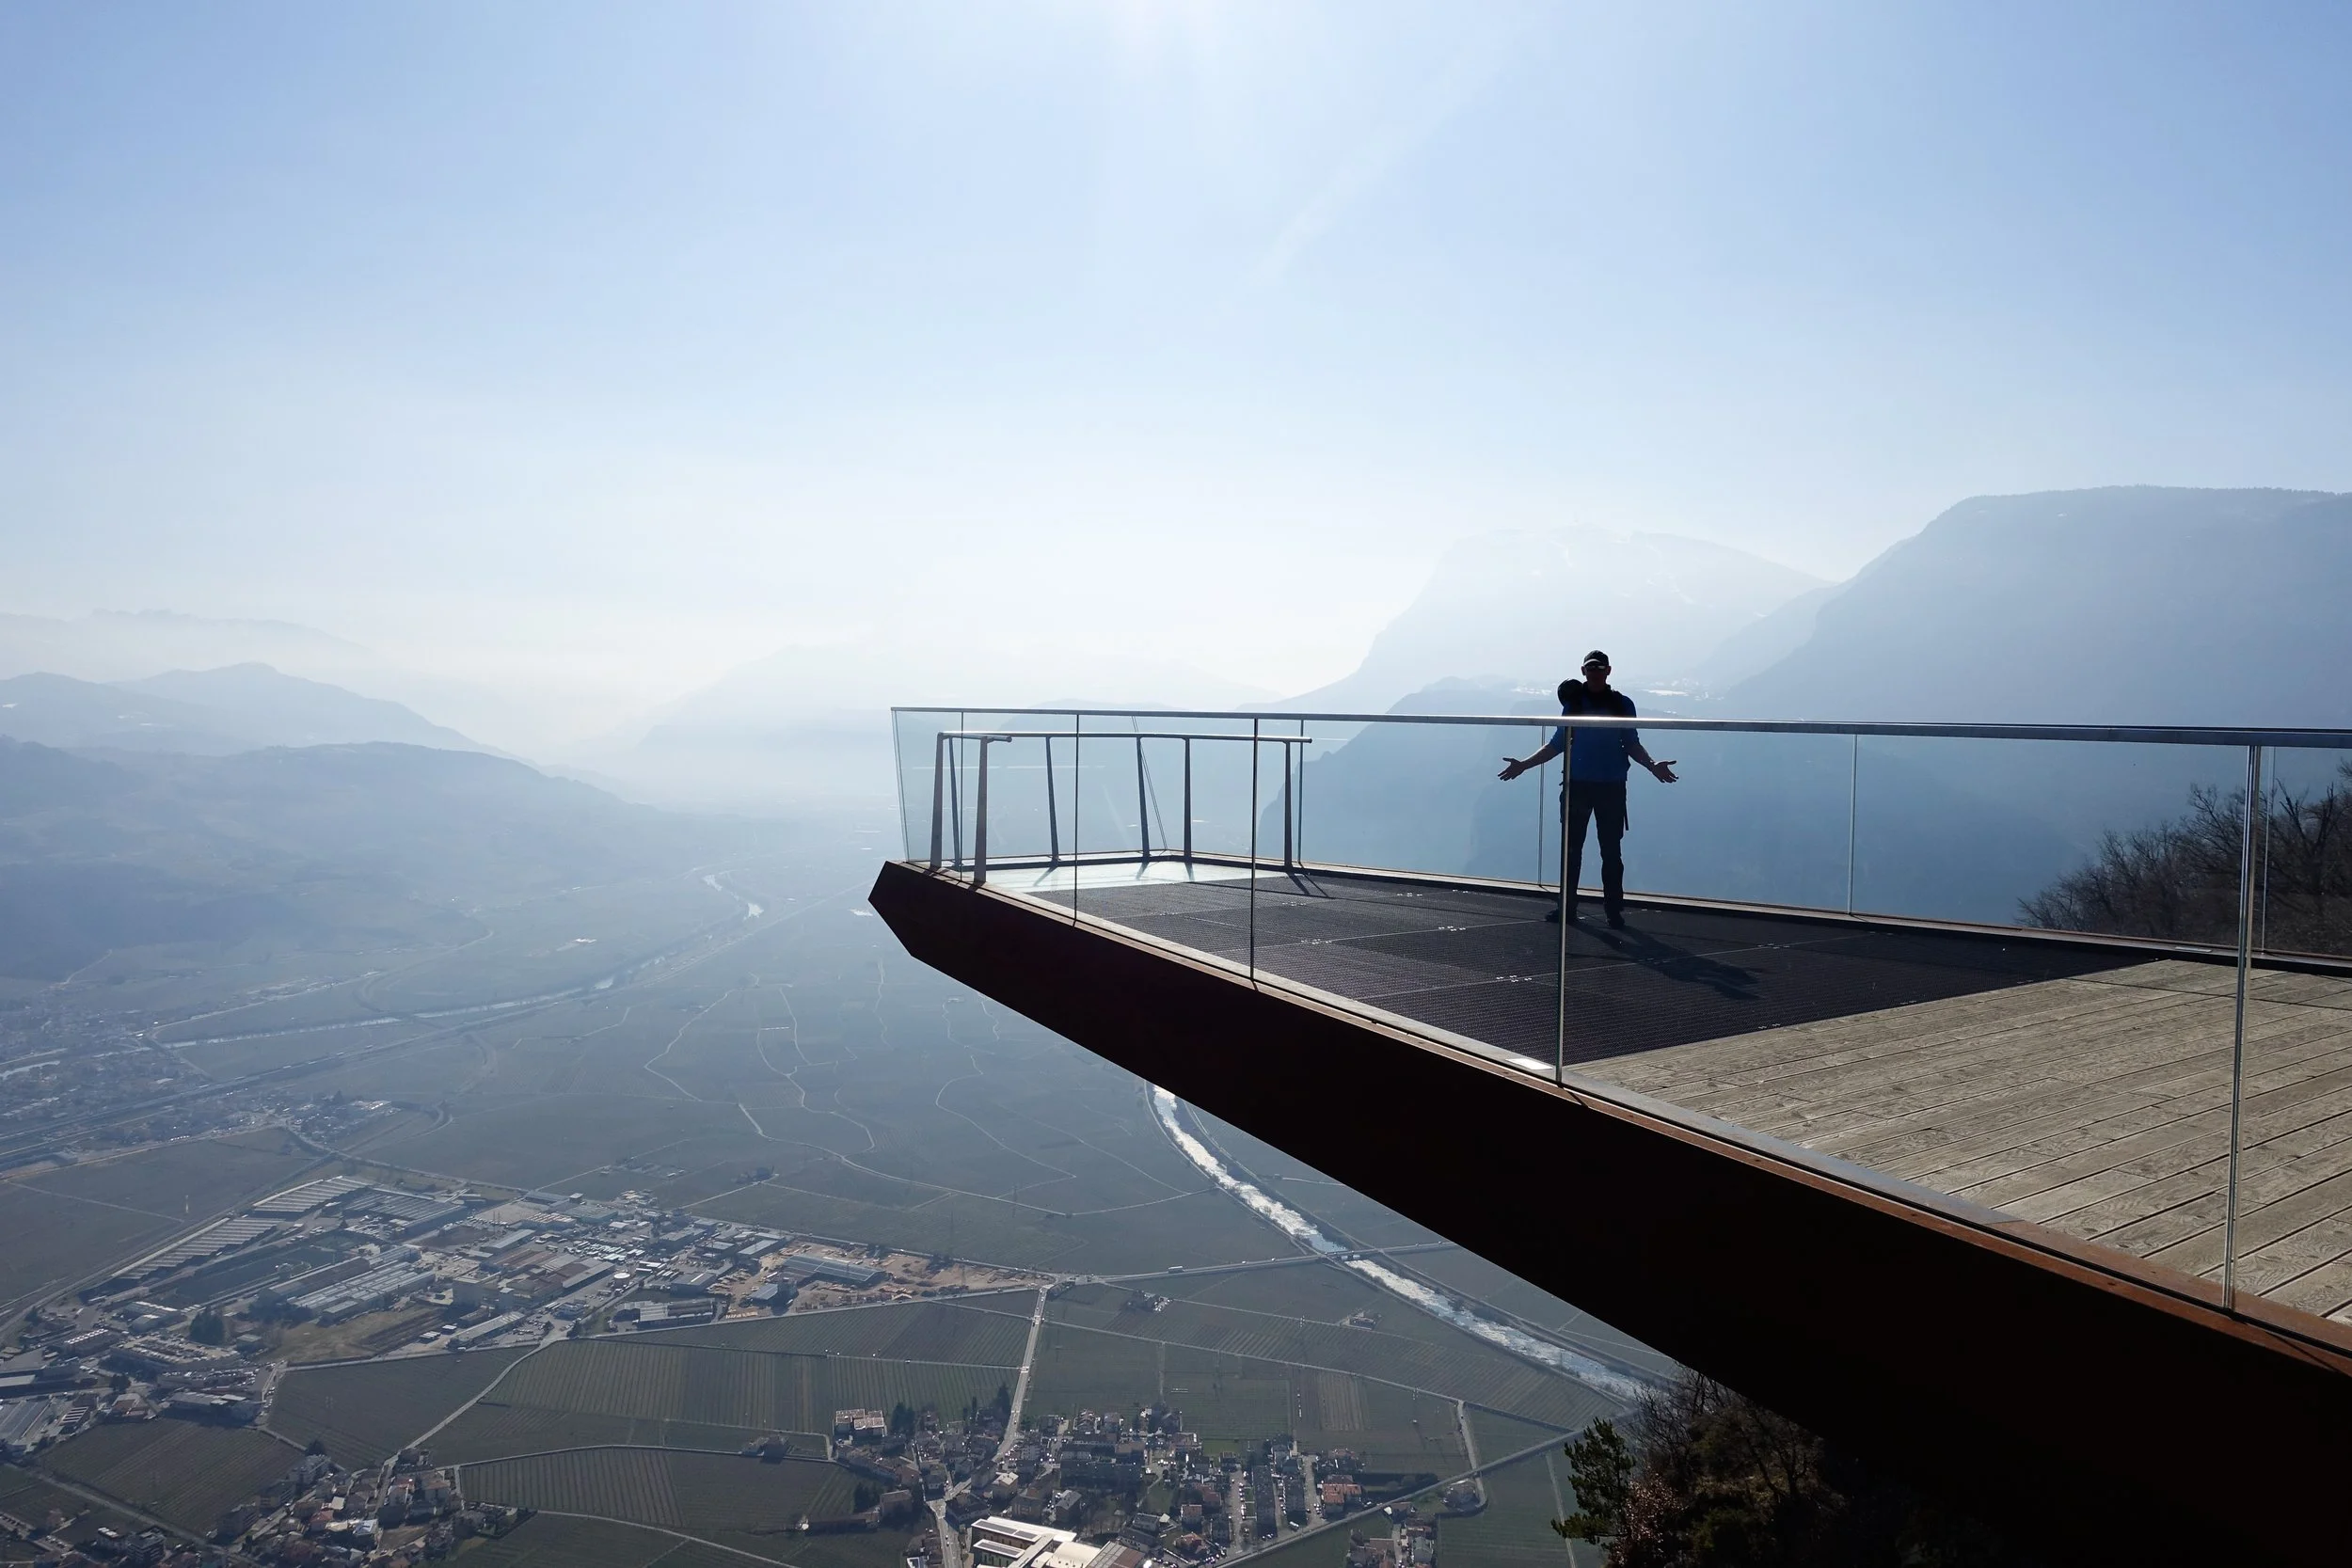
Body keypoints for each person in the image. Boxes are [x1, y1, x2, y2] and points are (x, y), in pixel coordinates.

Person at [1498, 650, 1677, 927]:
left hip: (1608, 787)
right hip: (1581, 786)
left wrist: (1653, 765)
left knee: (1610, 851)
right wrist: (1524, 765)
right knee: (1573, 851)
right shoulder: (1576, 704)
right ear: (1584, 671)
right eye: (1590, 668)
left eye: (1599, 668)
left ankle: (1612, 911)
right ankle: (1570, 909)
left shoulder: (1619, 704)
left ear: (1608, 671)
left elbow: (1631, 742)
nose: (1594, 672)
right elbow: (1559, 743)